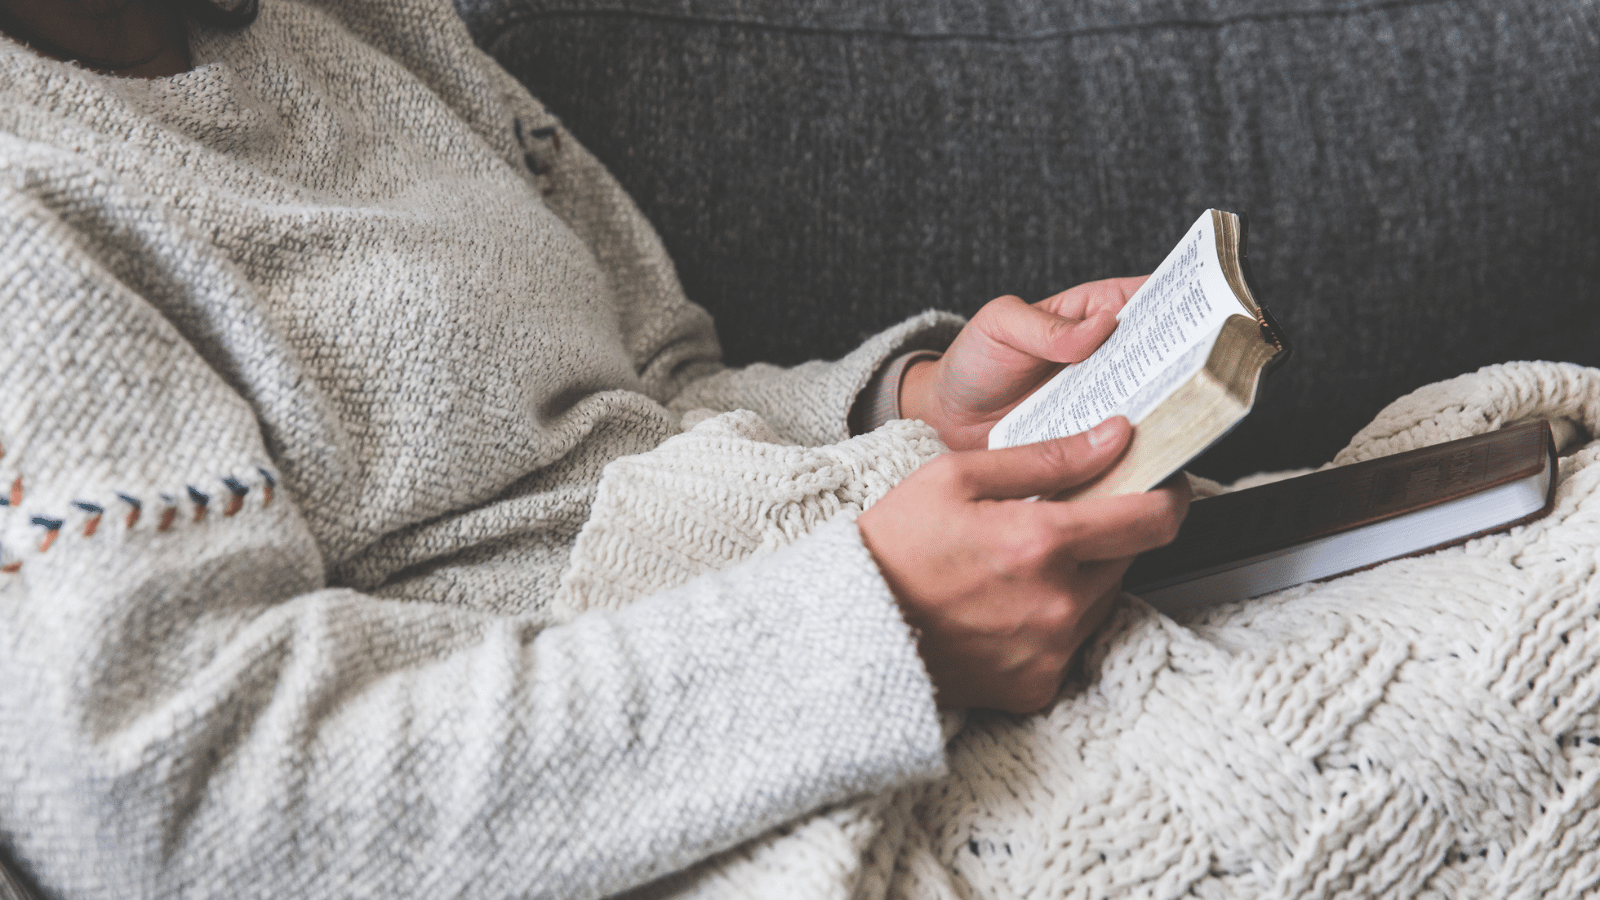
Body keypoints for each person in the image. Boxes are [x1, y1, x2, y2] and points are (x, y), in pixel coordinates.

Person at [0, 0, 1188, 896]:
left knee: (1372, 519)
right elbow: (182, 799)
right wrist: (887, 626)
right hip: (673, 790)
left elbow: (658, 391)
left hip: (861, 601)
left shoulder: (372, 30)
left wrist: (908, 411)